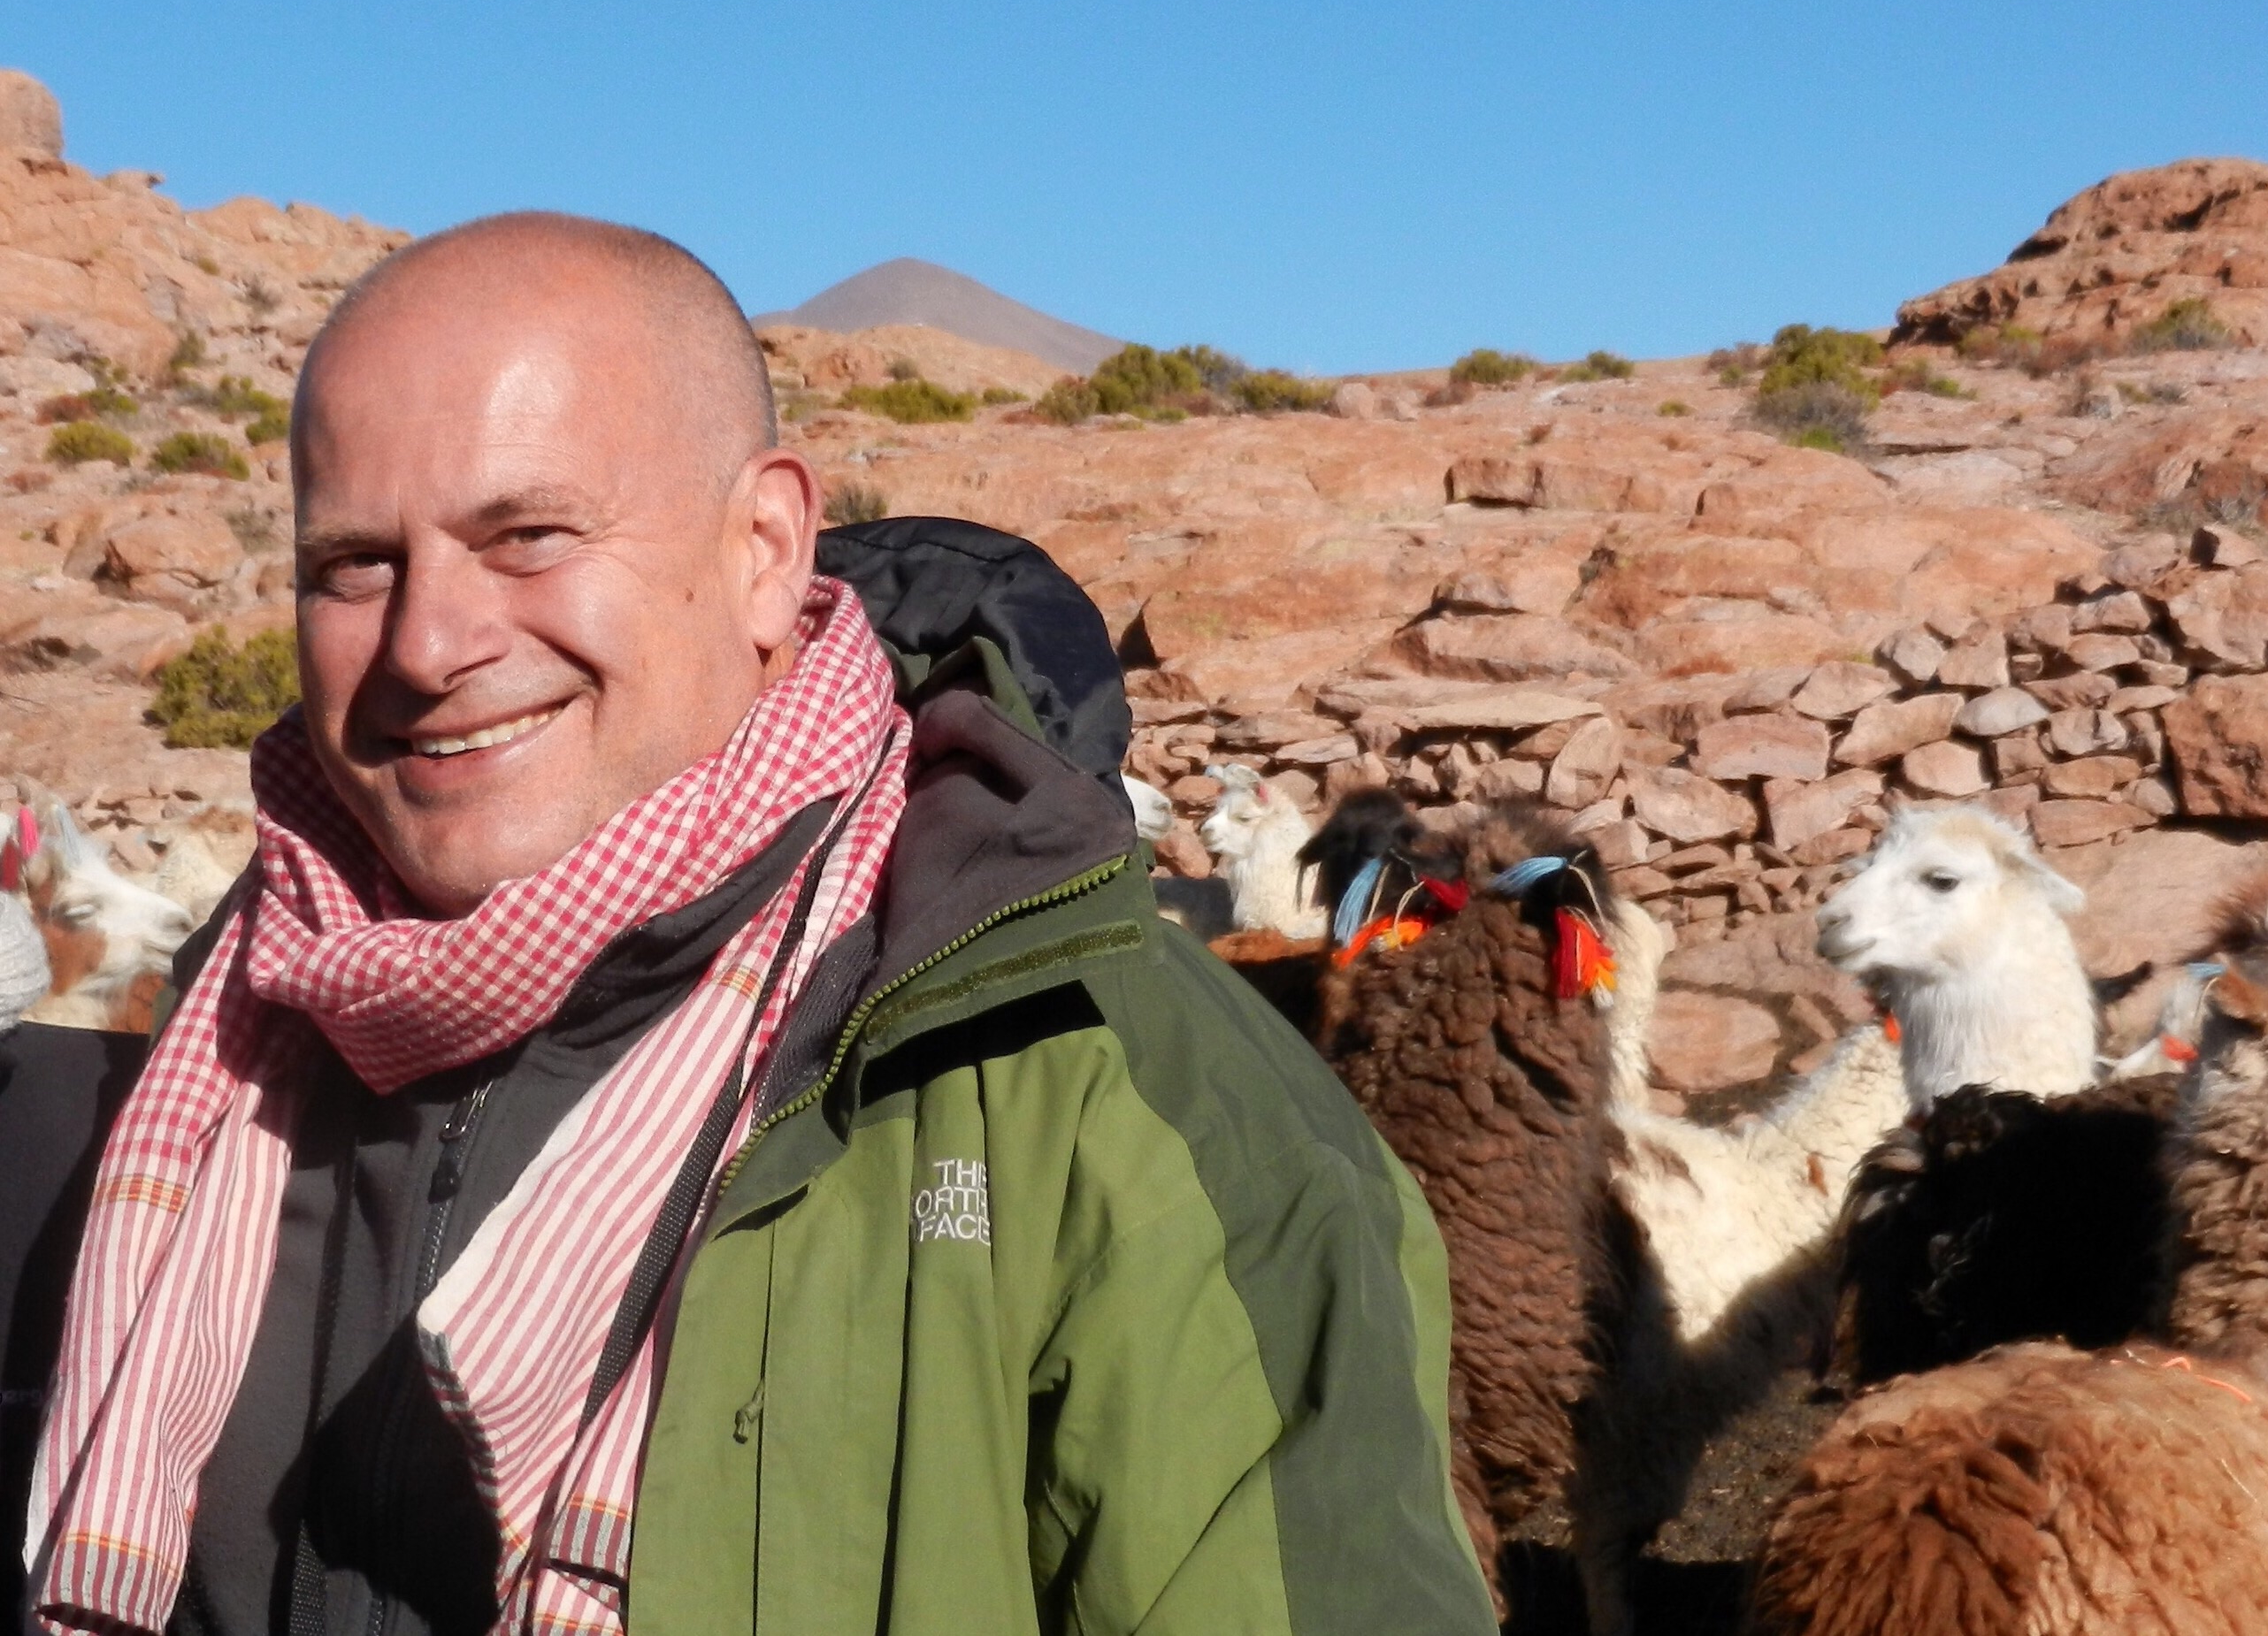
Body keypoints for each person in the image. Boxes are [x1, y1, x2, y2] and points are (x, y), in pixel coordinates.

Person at [21, 214, 1493, 1636]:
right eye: (353, 563)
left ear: (766, 548)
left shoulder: (1129, 1107)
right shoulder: (224, 1046)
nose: (425, 643)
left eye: (527, 534)